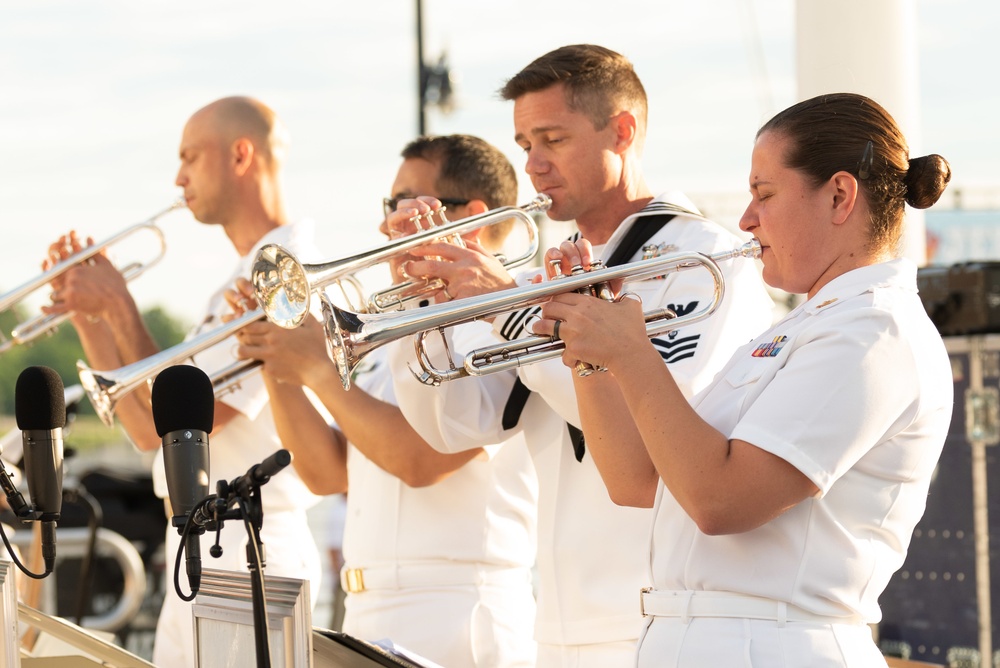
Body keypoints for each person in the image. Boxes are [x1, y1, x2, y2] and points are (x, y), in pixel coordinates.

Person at [385, 44, 775, 667]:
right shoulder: (543, 270)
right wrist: (419, 305)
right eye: (523, 144)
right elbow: (457, 425)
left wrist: (507, 309)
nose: (534, 165)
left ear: (622, 132)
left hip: (663, 621)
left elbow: (654, 429)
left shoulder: (705, 259)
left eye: (552, 139)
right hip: (562, 631)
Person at [536, 92, 954, 666]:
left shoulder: (874, 330)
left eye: (764, 194)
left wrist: (634, 354)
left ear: (839, 196)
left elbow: (719, 501)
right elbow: (634, 480)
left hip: (774, 643)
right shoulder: (803, 329)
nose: (746, 219)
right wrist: (589, 349)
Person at [229, 134, 539, 668]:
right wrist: (276, 356)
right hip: (369, 610)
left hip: (457, 608)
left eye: (405, 204)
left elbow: (420, 461)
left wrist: (319, 369)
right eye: (389, 206)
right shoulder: (387, 330)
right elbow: (329, 473)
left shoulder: (506, 323)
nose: (386, 225)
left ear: (473, 219)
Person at [40, 96, 323, 667]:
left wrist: (121, 307)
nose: (179, 176)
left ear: (241, 155)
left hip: (251, 545)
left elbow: (195, 419)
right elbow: (150, 432)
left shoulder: (287, 271)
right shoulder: (232, 285)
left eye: (191, 156)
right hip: (198, 541)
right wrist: (90, 315)